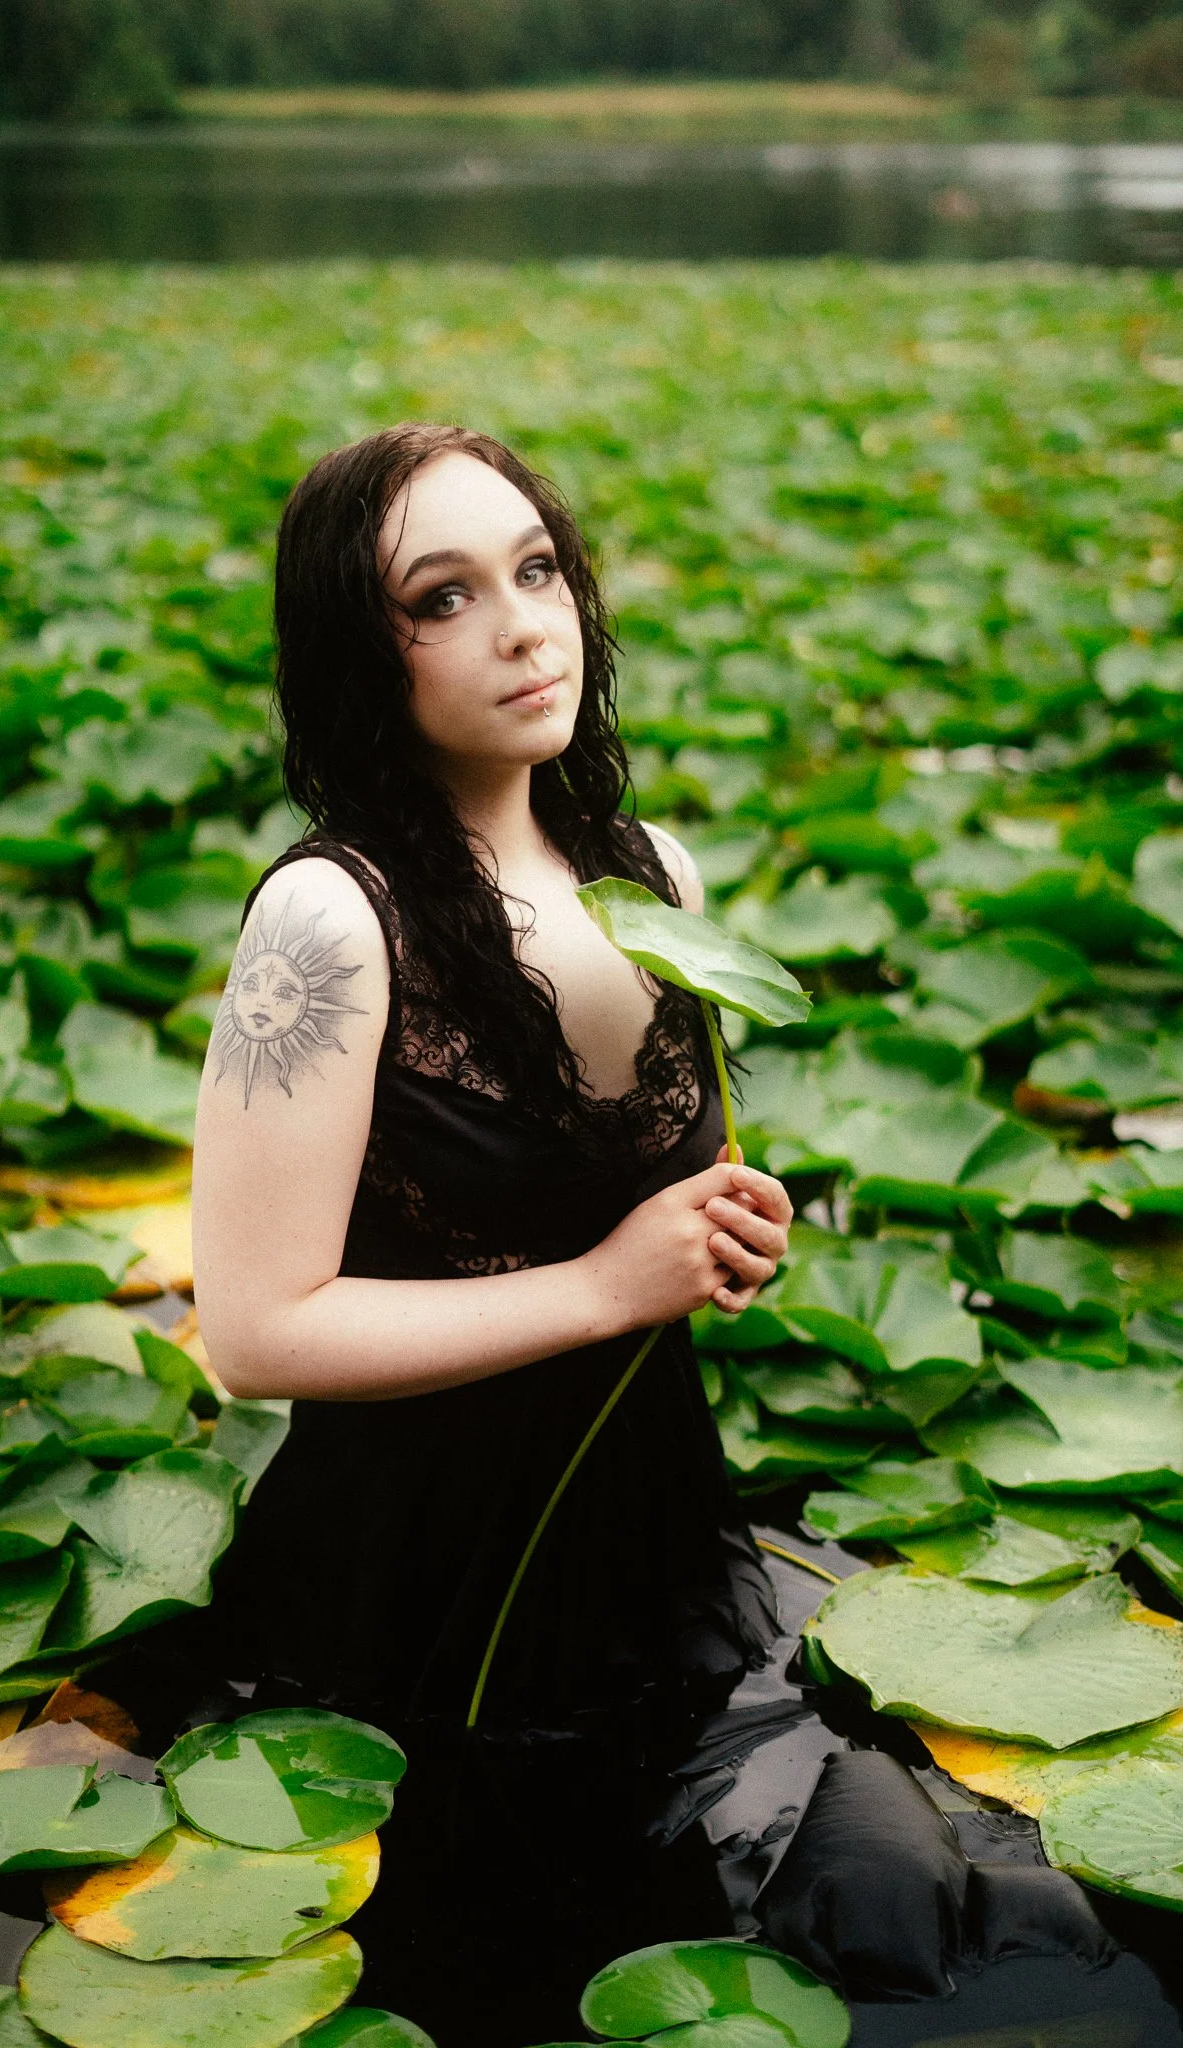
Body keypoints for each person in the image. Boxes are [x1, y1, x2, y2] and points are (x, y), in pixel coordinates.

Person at [191, 424, 1107, 2044]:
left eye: (537, 570)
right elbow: (258, 1334)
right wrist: (612, 1281)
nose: (522, 626)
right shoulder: (330, 919)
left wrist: (721, 1229)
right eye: (444, 596)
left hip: (665, 1555)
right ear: (356, 646)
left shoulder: (649, 872)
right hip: (426, 1604)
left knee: (968, 1935)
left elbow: (651, 1205)